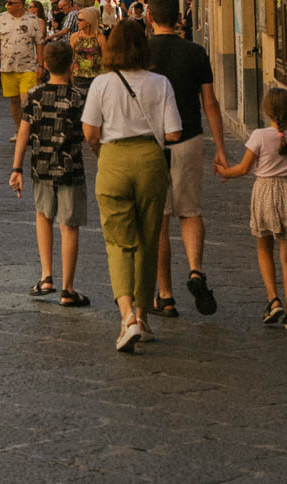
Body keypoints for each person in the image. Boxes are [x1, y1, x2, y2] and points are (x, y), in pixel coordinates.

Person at [81, 21, 181, 352]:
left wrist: (102, 150)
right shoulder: (161, 83)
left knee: (118, 243)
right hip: (150, 160)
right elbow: (174, 133)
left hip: (113, 160)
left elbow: (89, 131)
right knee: (148, 240)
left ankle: (127, 318)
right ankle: (142, 315)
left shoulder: (101, 84)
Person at [147, 0, 228, 320]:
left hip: (152, 143)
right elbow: (209, 102)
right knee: (190, 211)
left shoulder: (141, 52)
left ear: (149, 16)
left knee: (160, 220)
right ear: (179, 16)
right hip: (190, 137)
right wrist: (221, 148)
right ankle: (195, 270)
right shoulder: (196, 52)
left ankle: (165, 296)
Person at [216, 86, 287, 330]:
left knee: (263, 248)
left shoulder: (259, 135)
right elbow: (285, 134)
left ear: (266, 110)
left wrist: (224, 171)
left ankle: (273, 299)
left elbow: (244, 168)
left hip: (266, 192)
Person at [9, 38, 90, 309]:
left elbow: (23, 132)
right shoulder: (79, 97)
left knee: (43, 217)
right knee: (69, 226)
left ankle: (46, 277)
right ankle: (67, 288)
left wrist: (16, 167)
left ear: (45, 64)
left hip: (41, 166)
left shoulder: (34, 95)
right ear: (72, 65)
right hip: (71, 168)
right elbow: (90, 134)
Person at [0, 0, 45, 141]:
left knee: (26, 100)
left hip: (28, 66)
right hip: (7, 66)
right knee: (14, 100)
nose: (7, 5)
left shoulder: (33, 20)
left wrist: (41, 65)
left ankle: (30, 130)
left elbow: (39, 43)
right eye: (7, 2)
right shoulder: (1, 18)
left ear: (20, 5)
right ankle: (19, 130)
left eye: (10, 3)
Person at [69, 7, 105, 94]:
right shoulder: (74, 37)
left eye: (80, 20)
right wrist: (71, 76)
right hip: (78, 77)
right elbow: (71, 58)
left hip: (96, 77)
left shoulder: (100, 38)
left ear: (88, 22)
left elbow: (106, 58)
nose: (77, 22)